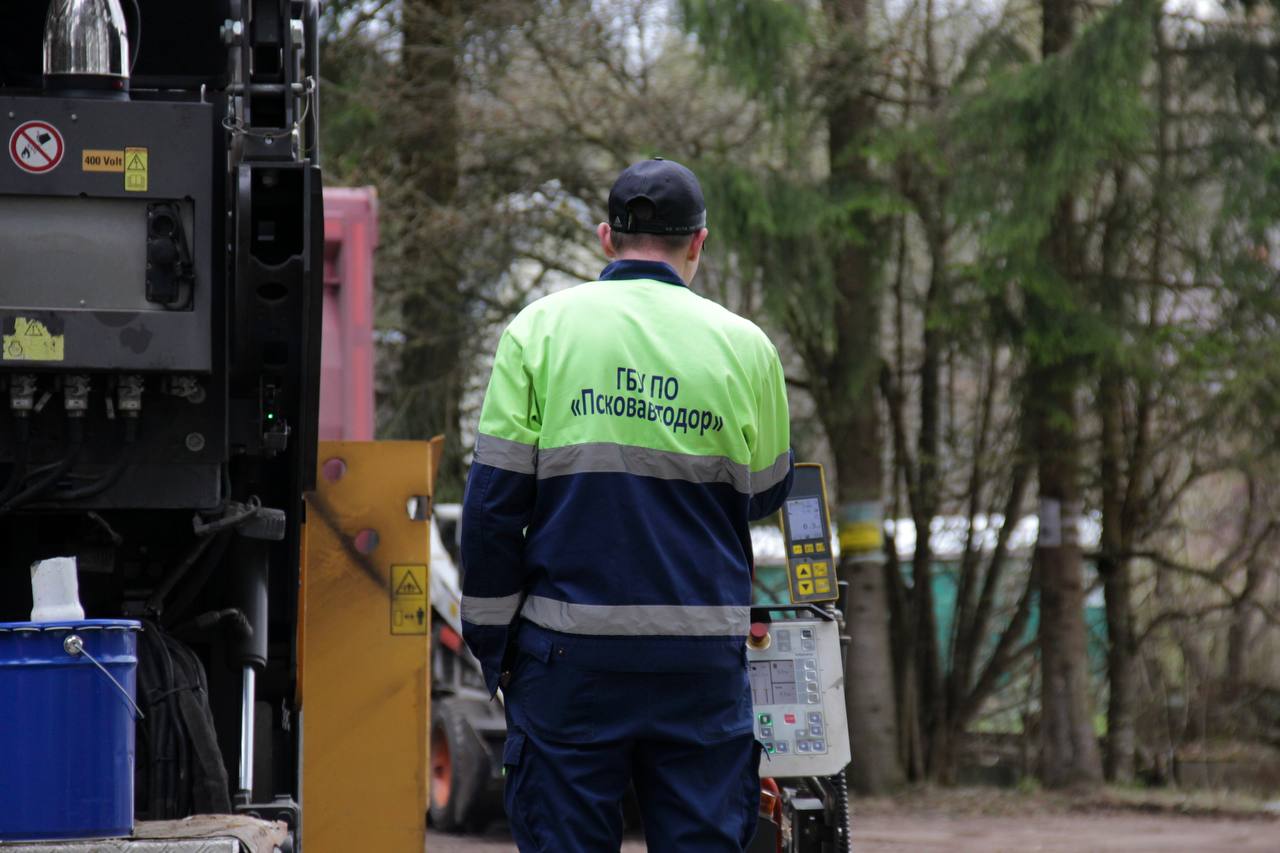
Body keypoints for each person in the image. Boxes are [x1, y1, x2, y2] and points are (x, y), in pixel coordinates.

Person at [460, 158, 793, 852]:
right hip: (700, 664)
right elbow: (765, 491)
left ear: (607, 237)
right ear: (699, 242)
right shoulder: (748, 348)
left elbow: (492, 511)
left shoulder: (538, 331)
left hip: (567, 662)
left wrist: (498, 656)